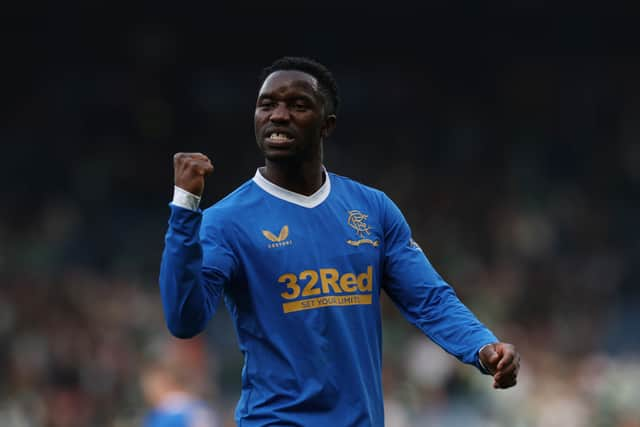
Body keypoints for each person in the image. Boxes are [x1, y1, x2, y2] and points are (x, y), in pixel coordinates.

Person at [159, 56, 520, 426]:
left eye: (297, 105)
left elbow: (429, 299)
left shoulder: (372, 209)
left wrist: (482, 346)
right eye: (267, 105)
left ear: (326, 125)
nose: (278, 115)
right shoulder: (225, 221)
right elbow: (184, 318)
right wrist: (184, 207)